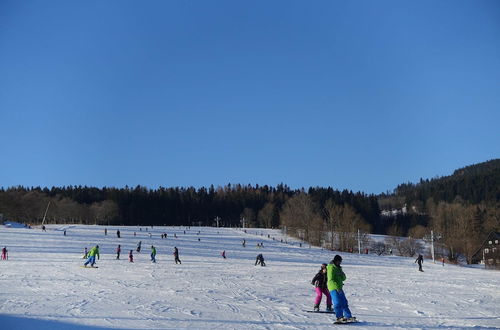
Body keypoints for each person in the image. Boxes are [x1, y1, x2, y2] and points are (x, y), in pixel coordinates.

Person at [327, 255, 355, 323]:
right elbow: (330, 279)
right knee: (337, 303)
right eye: (339, 261)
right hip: (333, 288)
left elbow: (344, 278)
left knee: (344, 302)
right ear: (336, 261)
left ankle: (348, 317)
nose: (340, 263)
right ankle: (339, 317)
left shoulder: (339, 268)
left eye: (340, 261)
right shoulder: (331, 268)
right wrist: (336, 287)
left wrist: (342, 274)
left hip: (339, 288)